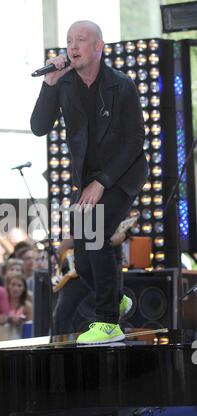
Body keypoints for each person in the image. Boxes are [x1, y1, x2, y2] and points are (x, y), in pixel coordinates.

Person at [31, 20, 148, 344]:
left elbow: (134, 140)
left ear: (98, 47)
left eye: (81, 40)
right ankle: (115, 299)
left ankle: (108, 321)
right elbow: (39, 126)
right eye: (69, 40)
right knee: (82, 259)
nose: (73, 46)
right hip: (87, 179)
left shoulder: (121, 85)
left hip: (122, 174)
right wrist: (50, 83)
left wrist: (102, 183)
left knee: (95, 232)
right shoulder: (64, 83)